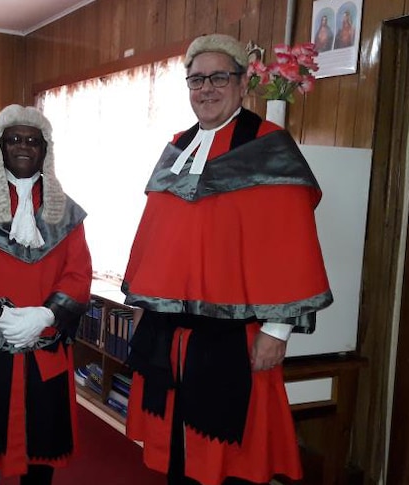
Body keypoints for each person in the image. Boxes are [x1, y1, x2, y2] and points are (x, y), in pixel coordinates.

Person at [122, 34, 333, 485]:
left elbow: (289, 243)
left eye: (219, 77)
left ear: (242, 85)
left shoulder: (269, 146)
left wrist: (278, 330)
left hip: (235, 336)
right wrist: (144, 303)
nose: (206, 88)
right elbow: (156, 234)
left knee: (228, 459)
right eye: (196, 79)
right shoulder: (177, 148)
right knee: (177, 454)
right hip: (169, 332)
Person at [0, 104, 92, 485]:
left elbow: (78, 272)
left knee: (40, 450)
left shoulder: (66, 214)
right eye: (14, 140)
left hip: (45, 340)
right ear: (0, 147)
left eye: (32, 141)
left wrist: (44, 316)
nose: (23, 147)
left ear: (45, 149)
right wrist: (3, 319)